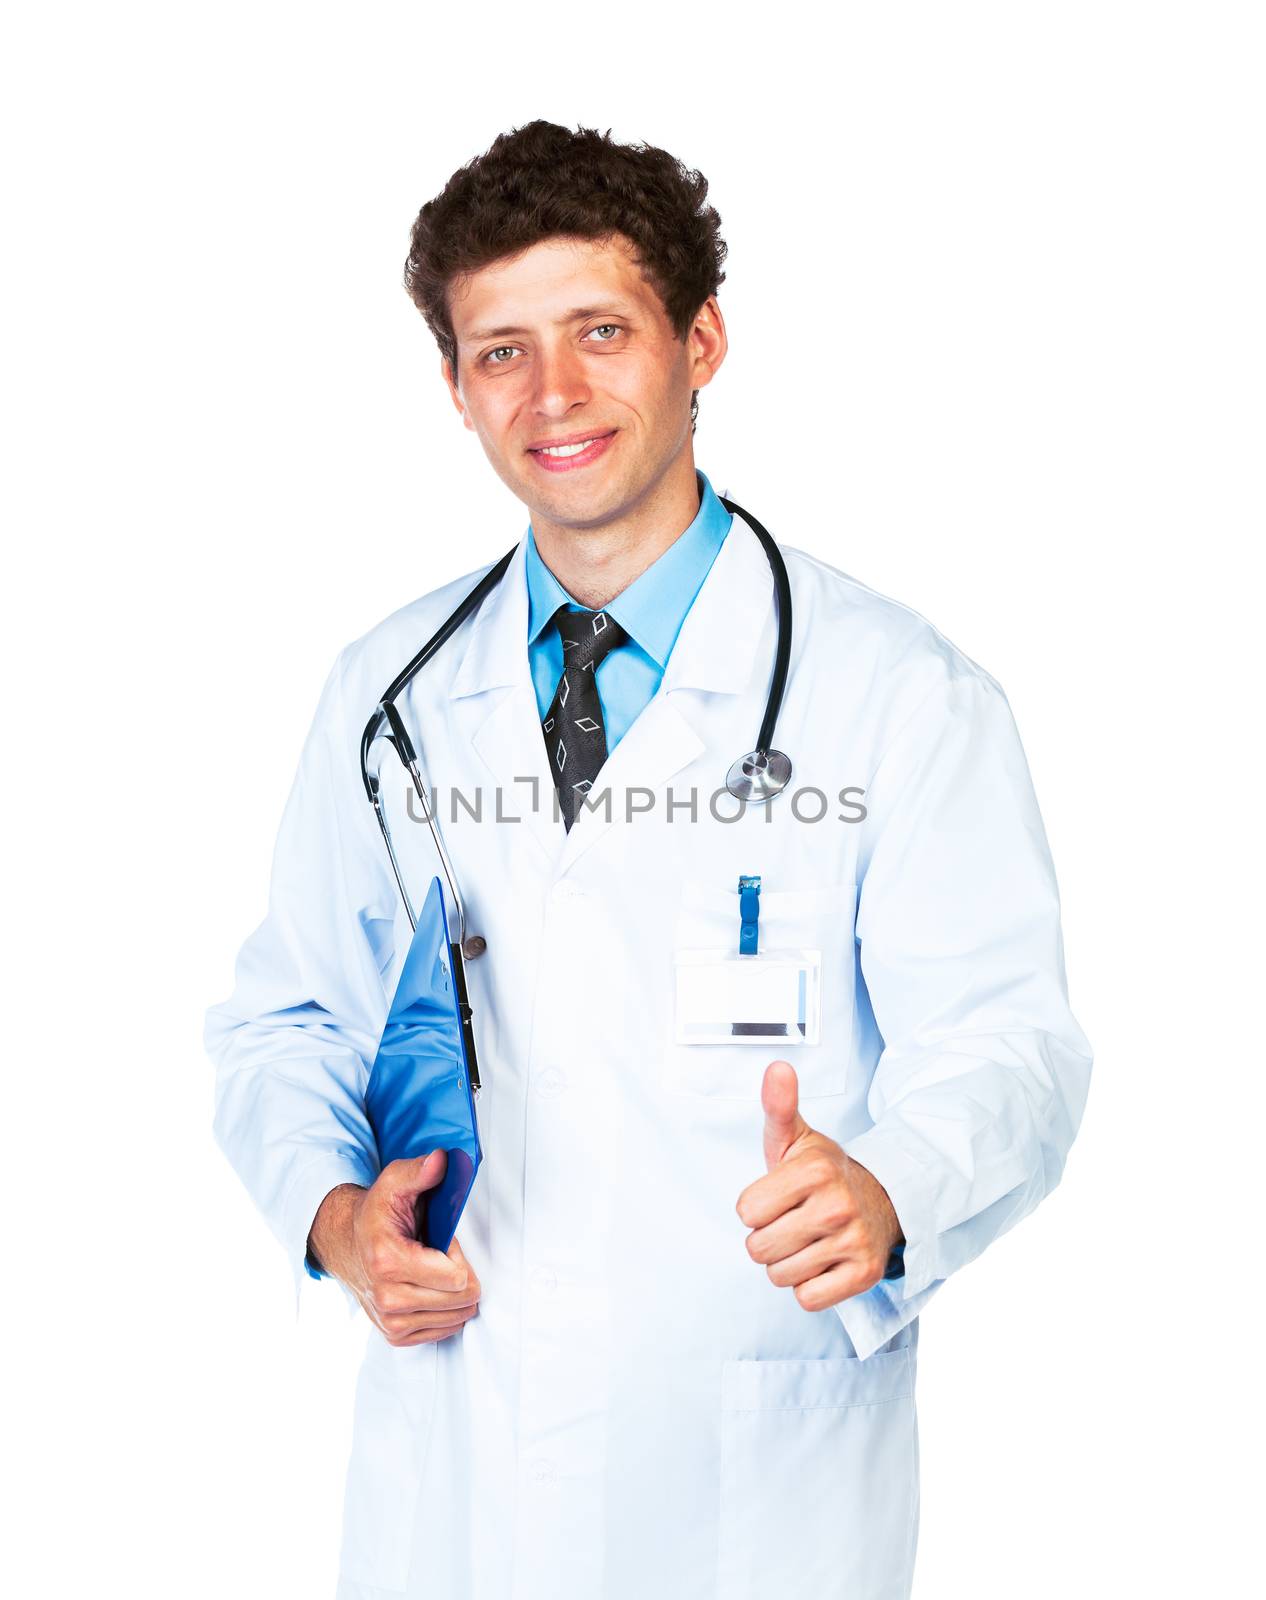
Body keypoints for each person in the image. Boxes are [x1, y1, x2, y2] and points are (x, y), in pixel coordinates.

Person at [206, 119, 1093, 1600]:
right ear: (453, 386)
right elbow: (288, 1017)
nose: (552, 394)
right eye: (500, 351)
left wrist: (893, 1188)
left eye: (600, 332)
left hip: (755, 1485)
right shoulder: (390, 698)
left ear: (701, 339)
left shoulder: (896, 693)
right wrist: (333, 1216)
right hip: (456, 1474)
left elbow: (1011, 1040)